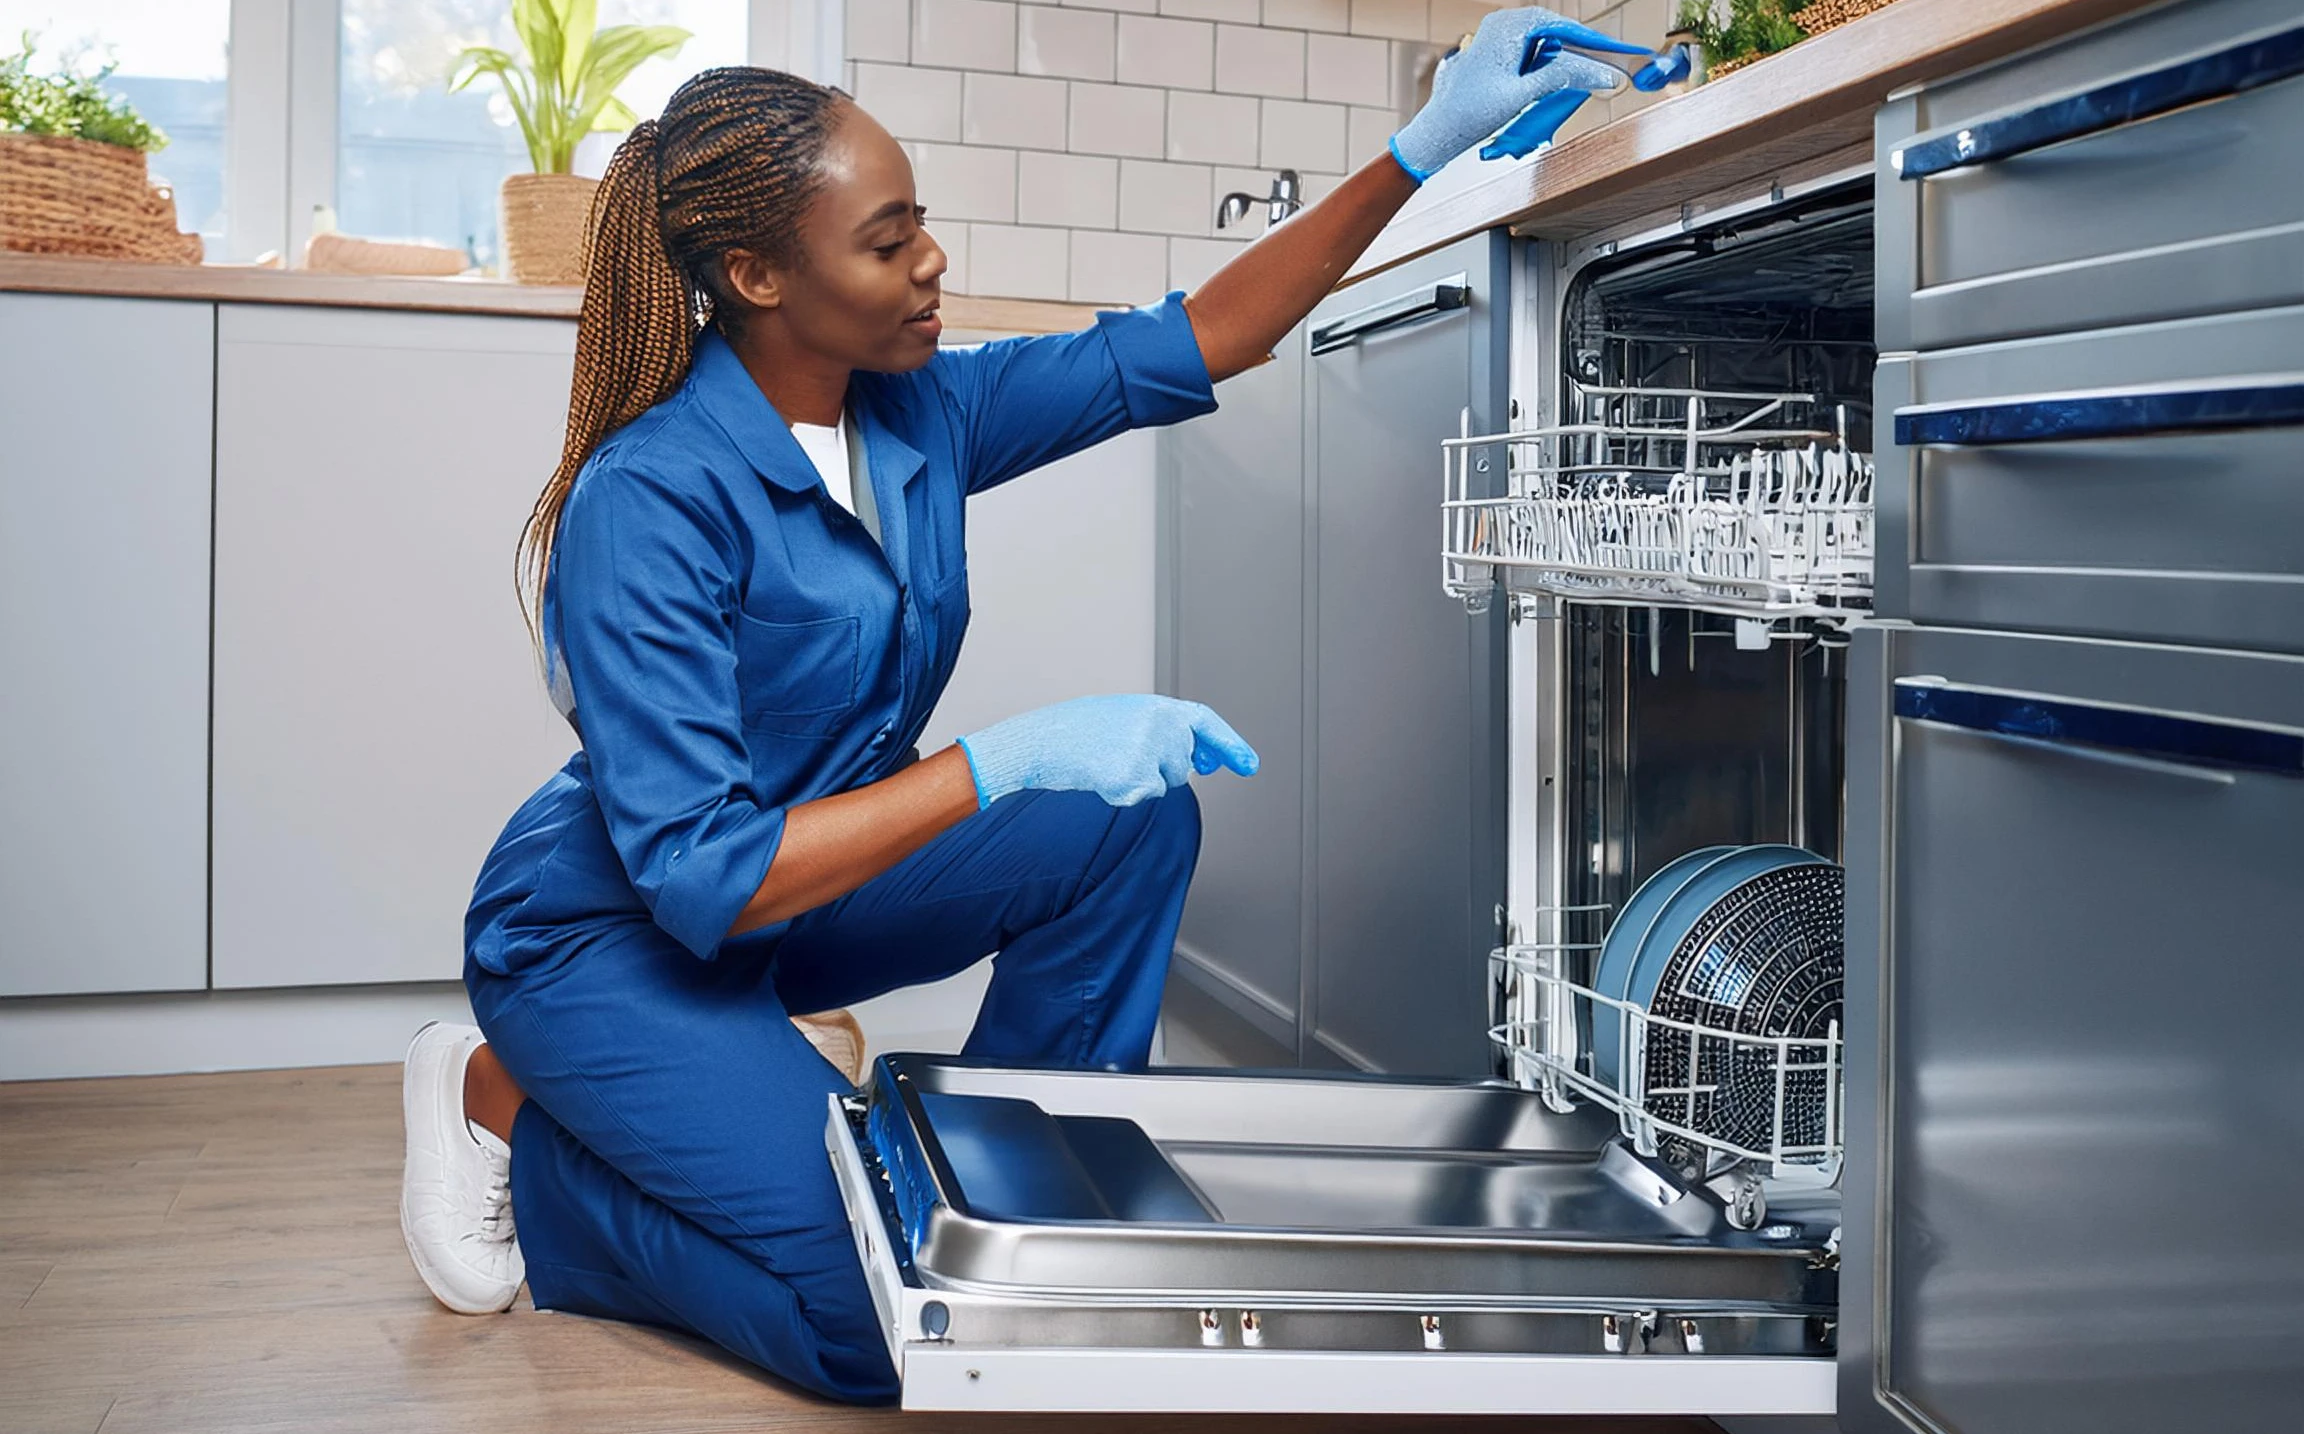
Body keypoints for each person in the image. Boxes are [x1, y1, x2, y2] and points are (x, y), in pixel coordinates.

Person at [397, 9, 1622, 1404]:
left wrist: (1418, 153)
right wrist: (995, 763)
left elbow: (1200, 336)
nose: (930, 263)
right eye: (885, 239)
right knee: (886, 1326)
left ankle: (1028, 1197)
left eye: (922, 222)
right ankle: (511, 1108)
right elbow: (707, 878)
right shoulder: (649, 501)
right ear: (752, 275)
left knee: (1127, 818)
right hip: (618, 934)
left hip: (804, 889)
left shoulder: (918, 412)